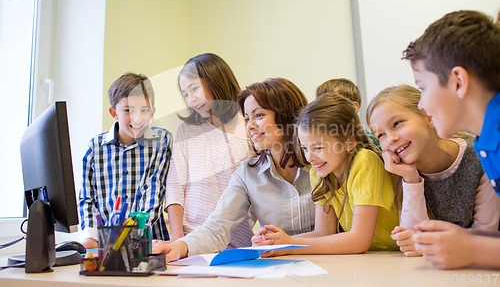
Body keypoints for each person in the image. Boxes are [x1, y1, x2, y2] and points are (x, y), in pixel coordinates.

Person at [152, 78, 316, 261]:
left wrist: (288, 243)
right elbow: (216, 229)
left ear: (286, 114)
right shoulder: (247, 172)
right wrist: (178, 246)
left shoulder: (319, 164)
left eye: (259, 115)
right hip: (281, 267)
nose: (250, 126)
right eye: (247, 118)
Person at [402, 9, 500, 269]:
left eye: (422, 87)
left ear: (457, 81)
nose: (421, 104)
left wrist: (474, 249)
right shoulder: (486, 143)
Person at [252, 93, 400, 256]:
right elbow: (323, 233)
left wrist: (291, 245)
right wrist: (277, 244)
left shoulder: (365, 161)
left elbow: (359, 241)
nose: (309, 157)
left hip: (400, 256)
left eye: (318, 148)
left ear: (349, 142)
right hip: (374, 260)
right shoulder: (320, 173)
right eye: (305, 148)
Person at [366, 84, 500, 257]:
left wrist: (426, 243)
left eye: (397, 123)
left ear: (428, 117)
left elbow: (485, 234)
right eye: (381, 135)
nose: (391, 139)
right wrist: (410, 178)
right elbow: (412, 244)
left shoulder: (479, 155)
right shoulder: (401, 169)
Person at [165, 53, 254, 247]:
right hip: (188, 238)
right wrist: (177, 238)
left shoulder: (248, 125)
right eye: (185, 94)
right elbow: (175, 185)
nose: (191, 100)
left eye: (194, 89)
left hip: (234, 241)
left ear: (216, 81)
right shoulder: (187, 129)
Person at [79, 72, 173, 249]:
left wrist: (135, 233)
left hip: (149, 242)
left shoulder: (161, 141)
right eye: (128, 110)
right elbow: (87, 199)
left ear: (153, 111)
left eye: (144, 110)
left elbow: (154, 189)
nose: (137, 118)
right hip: (105, 245)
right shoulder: (95, 147)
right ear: (114, 112)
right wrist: (91, 238)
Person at [316, 78, 380, 149]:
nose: (324, 110)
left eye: (331, 104)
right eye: (320, 104)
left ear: (354, 107)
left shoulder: (371, 139)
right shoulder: (322, 141)